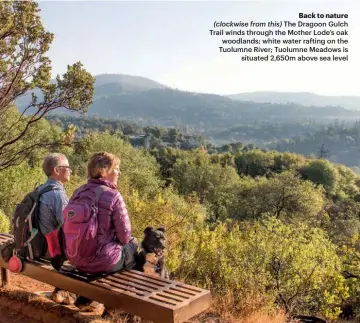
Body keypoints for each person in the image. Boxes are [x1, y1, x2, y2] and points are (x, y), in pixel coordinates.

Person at [63, 151, 138, 311]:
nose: (119, 172)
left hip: (75, 257)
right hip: (103, 262)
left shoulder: (78, 192)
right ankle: (117, 310)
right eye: (116, 168)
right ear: (104, 171)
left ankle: (86, 299)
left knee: (107, 252)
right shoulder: (113, 196)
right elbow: (125, 237)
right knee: (132, 246)